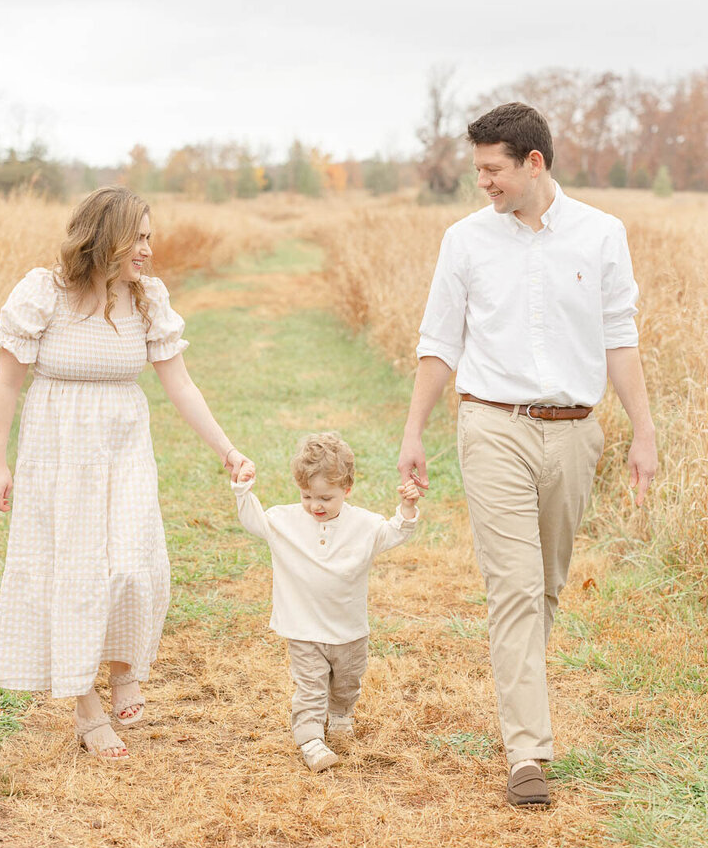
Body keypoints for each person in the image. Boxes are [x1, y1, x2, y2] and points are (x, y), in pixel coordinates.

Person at [398, 103, 657, 807]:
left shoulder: (603, 235)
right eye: (477, 169)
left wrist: (644, 430)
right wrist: (414, 431)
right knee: (512, 588)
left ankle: (520, 699)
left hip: (576, 431)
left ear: (532, 163)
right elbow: (440, 341)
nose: (482, 182)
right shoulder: (465, 242)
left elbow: (619, 338)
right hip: (493, 427)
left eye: (493, 169)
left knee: (543, 586)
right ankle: (528, 754)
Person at [0, 185, 253, 761]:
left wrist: (227, 449)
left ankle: (125, 669)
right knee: (75, 574)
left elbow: (179, 383)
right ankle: (86, 708)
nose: (149, 251)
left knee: (137, 564)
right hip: (58, 447)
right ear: (106, 236)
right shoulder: (43, 293)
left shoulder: (148, 298)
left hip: (124, 444)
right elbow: (8, 381)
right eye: (141, 238)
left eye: (151, 239)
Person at [231, 432, 420, 772]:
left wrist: (407, 507)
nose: (315, 505)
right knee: (311, 685)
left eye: (325, 498)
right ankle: (310, 738)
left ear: (347, 489)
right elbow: (252, 520)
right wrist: (243, 490)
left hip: (349, 629)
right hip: (303, 627)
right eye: (307, 496)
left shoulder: (364, 524)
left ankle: (341, 714)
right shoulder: (284, 521)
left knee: (347, 681)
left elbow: (395, 531)